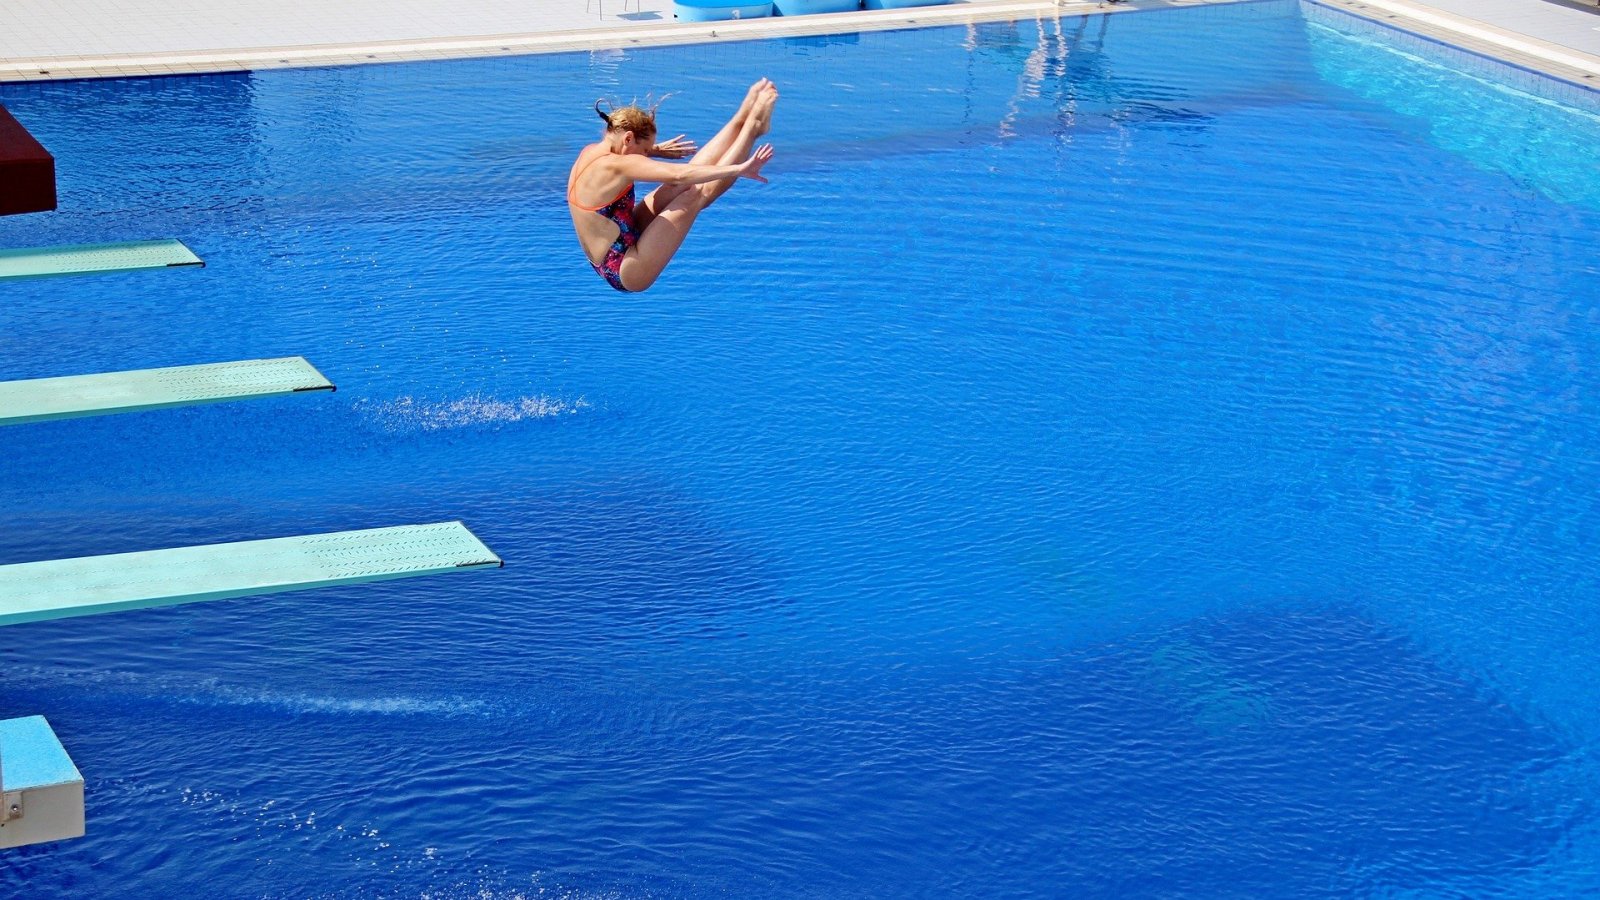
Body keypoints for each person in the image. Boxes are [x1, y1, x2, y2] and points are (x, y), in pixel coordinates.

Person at [567, 79, 777, 293]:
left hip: (617, 241)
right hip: (626, 270)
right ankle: (753, 129)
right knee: (694, 195)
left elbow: (637, 161)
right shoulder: (619, 164)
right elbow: (681, 174)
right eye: (645, 151)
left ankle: (740, 119)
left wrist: (655, 149)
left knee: (674, 188)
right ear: (629, 138)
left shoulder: (592, 152)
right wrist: (740, 169)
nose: (646, 157)